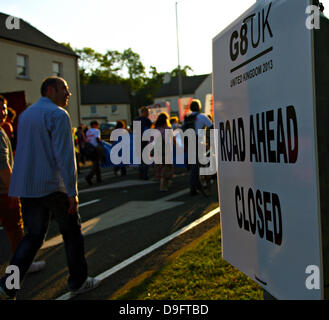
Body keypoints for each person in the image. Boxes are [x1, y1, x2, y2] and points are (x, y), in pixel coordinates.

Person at [0, 77, 101, 300]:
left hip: (28, 186)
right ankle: (79, 281)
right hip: (53, 184)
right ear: (50, 89)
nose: (68, 94)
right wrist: (72, 191)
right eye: (65, 90)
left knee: (32, 237)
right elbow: (65, 155)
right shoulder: (57, 114)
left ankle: (8, 285)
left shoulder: (26, 115)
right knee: (72, 234)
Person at [0, 96, 46, 274]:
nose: (4, 113)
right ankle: (23, 265)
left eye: (5, 108)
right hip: (4, 191)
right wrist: (14, 190)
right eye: (1, 109)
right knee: (15, 229)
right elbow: (3, 165)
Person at [183, 99, 213, 196]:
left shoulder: (187, 118)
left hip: (189, 142)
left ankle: (195, 187)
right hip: (199, 142)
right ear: (199, 107)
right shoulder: (202, 116)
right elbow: (212, 127)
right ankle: (197, 186)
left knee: (194, 166)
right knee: (201, 165)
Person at [152, 112, 175, 192]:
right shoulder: (168, 129)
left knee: (160, 168)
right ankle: (164, 184)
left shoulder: (154, 129)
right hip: (166, 151)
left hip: (157, 151)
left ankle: (163, 183)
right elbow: (170, 140)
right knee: (168, 167)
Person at [134, 106, 152, 180]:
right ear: (143, 112)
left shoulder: (136, 120)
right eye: (147, 112)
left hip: (138, 141)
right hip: (145, 141)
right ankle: (145, 175)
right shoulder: (147, 120)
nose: (148, 114)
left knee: (141, 160)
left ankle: (141, 175)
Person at [85, 120, 103, 186]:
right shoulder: (96, 131)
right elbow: (97, 139)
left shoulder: (88, 131)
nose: (98, 126)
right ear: (94, 125)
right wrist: (101, 145)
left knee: (96, 164)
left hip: (89, 148)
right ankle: (89, 176)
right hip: (95, 148)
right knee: (96, 164)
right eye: (98, 125)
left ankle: (99, 179)